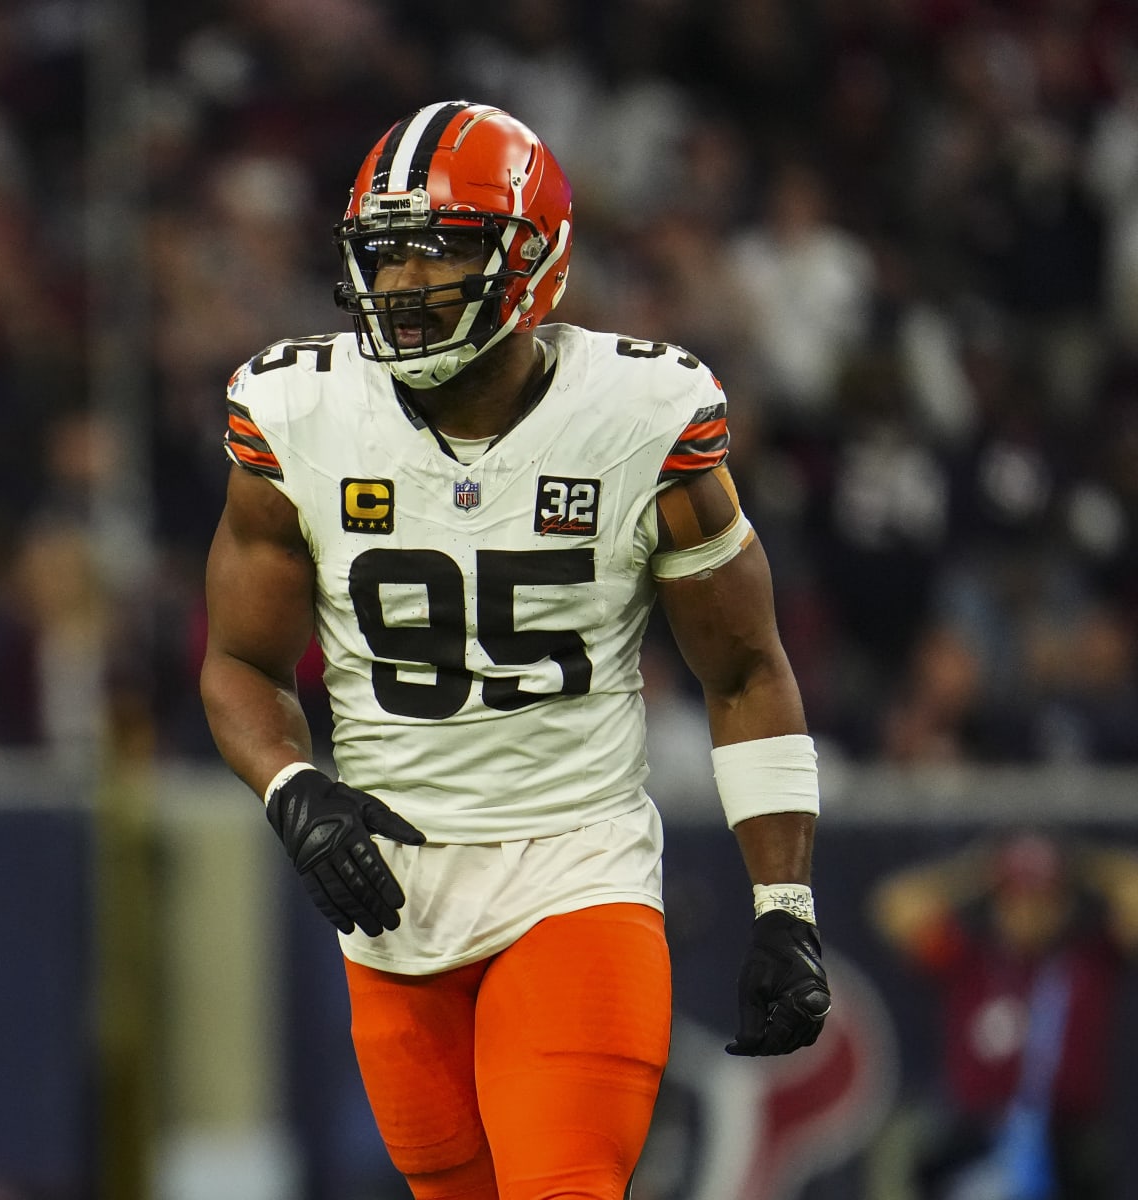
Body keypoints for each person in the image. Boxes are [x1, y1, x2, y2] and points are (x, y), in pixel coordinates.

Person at [200, 101, 831, 1200]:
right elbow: (240, 663)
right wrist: (293, 787)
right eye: (385, 256)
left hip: (574, 869)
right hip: (392, 895)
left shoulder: (641, 413)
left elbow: (743, 669)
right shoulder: (298, 411)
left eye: (439, 249)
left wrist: (787, 906)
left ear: (533, 261)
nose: (403, 285)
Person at [870, 831, 1138, 1200]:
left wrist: (1082, 865)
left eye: (1043, 900)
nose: (1028, 913)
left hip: (1067, 1143)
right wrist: (975, 872)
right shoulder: (969, 962)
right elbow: (895, 904)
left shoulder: (1091, 961)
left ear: (1064, 902)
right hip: (976, 1135)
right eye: (1015, 900)